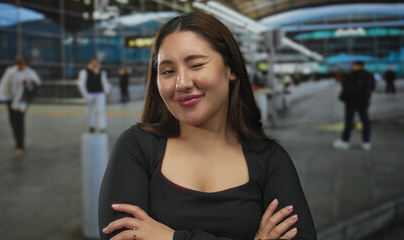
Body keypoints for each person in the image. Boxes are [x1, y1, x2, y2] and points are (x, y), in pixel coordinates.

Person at [99, 12, 317, 240]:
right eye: (167, 71)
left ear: (231, 68)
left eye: (196, 64)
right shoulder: (136, 148)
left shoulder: (270, 160)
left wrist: (172, 238)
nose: (181, 83)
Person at [0, 57, 41, 155]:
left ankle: (20, 144)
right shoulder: (11, 71)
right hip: (10, 99)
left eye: (24, 63)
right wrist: (2, 95)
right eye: (21, 63)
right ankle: (17, 139)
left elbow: (35, 84)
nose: (22, 65)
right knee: (12, 120)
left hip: (22, 101)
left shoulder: (29, 73)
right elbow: (4, 84)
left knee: (19, 121)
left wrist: (27, 83)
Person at [334, 61, 376, 151]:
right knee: (365, 122)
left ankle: (345, 141)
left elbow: (345, 86)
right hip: (363, 102)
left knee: (349, 122)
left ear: (357, 66)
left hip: (351, 102)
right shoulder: (368, 75)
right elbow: (372, 87)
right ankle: (366, 142)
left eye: (354, 65)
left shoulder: (351, 75)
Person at [78, 58, 111, 133]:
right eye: (94, 63)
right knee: (90, 110)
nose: (95, 64)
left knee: (101, 110)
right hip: (90, 93)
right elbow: (81, 83)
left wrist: (106, 92)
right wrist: (85, 94)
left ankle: (102, 126)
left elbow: (104, 82)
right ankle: (91, 126)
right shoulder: (85, 71)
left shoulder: (101, 71)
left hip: (100, 93)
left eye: (96, 63)